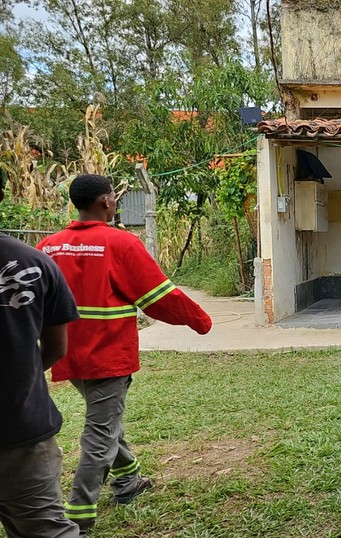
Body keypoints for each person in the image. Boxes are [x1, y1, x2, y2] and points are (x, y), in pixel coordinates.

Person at [38, 174, 212, 535]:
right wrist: (200, 320)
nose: (115, 201)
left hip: (66, 354)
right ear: (105, 202)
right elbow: (158, 297)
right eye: (114, 196)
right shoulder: (121, 243)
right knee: (100, 432)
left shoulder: (49, 247)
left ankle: (128, 479)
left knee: (105, 420)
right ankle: (79, 513)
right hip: (108, 354)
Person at [0, 168, 81, 538]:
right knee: (46, 529)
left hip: (25, 431)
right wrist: (22, 372)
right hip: (21, 427)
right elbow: (57, 347)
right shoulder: (34, 262)